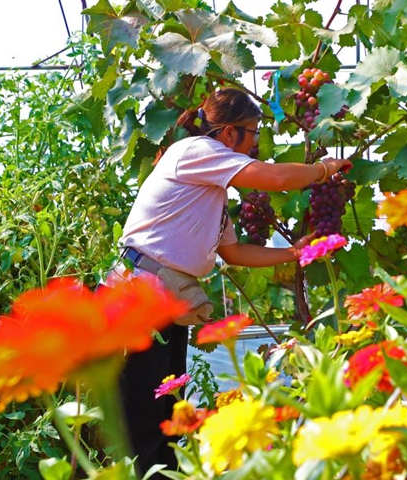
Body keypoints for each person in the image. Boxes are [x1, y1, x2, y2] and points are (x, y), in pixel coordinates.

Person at [106, 87, 351, 477]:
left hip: (166, 301)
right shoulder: (194, 153)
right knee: (143, 419)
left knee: (167, 410)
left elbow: (235, 253)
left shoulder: (210, 189)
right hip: (139, 297)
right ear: (229, 133)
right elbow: (275, 177)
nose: (255, 145)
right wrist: (325, 169)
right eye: (253, 133)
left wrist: (291, 254)